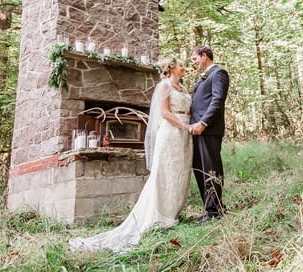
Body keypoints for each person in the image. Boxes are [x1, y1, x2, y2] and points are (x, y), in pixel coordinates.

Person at [69, 58, 193, 253]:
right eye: (180, 65)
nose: (184, 68)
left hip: (185, 134)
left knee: (179, 172)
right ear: (171, 69)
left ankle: (173, 211)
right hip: (170, 132)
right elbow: (165, 113)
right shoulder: (164, 86)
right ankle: (159, 216)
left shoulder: (184, 89)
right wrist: (184, 125)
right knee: (165, 172)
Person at [188, 45, 230, 223]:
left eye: (195, 59)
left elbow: (217, 100)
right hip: (196, 130)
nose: (194, 63)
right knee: (200, 170)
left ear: (204, 56)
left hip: (208, 129)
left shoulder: (218, 74)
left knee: (210, 169)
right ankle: (211, 208)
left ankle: (214, 212)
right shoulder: (203, 77)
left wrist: (204, 122)